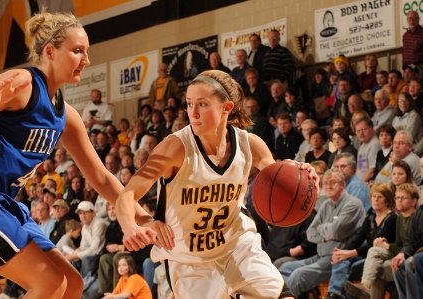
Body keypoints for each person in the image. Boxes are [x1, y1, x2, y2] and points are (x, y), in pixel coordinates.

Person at [0, 11, 157, 299]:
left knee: (71, 284)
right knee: (49, 284)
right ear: (50, 51)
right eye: (77, 51)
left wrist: (144, 218)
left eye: (86, 52)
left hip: (2, 202)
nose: (86, 60)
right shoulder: (20, 83)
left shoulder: (67, 116)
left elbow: (101, 177)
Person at [115, 70, 318, 298]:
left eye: (202, 104)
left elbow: (279, 178)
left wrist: (302, 173)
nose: (193, 112)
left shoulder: (249, 144)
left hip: (238, 246)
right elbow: (127, 194)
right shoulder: (175, 147)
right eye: (189, 104)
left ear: (226, 108)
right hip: (189, 259)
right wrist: (131, 227)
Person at [279, 169, 366, 298]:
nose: (328, 186)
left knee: (299, 275)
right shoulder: (326, 204)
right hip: (320, 256)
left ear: (342, 184)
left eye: (333, 182)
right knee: (285, 267)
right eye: (325, 183)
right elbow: (310, 233)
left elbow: (336, 231)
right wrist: (328, 233)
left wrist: (322, 229)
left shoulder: (353, 204)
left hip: (337, 258)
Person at [402, 11, 423, 75]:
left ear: (418, 19)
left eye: (414, 18)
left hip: (420, 68)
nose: (412, 20)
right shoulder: (405, 35)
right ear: (407, 20)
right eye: (409, 18)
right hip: (407, 68)